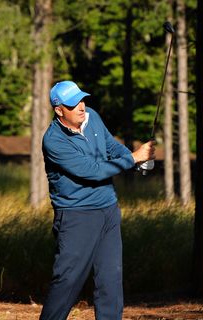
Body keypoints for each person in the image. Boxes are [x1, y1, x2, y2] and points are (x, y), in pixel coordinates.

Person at [39, 80, 155, 320]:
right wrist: (134, 158)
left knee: (110, 279)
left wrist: (136, 161)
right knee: (68, 280)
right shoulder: (54, 141)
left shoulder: (92, 117)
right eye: (73, 104)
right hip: (76, 216)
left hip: (108, 210)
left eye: (82, 99)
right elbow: (92, 171)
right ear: (59, 110)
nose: (81, 106)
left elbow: (111, 147)